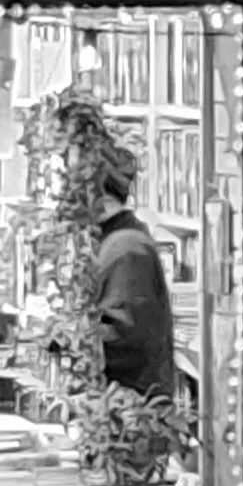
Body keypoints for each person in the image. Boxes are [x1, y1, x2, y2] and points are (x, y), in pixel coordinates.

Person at [90, 170, 178, 404]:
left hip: (133, 405)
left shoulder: (126, 248)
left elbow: (126, 335)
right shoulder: (118, 241)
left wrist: (75, 336)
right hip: (125, 400)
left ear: (101, 198)